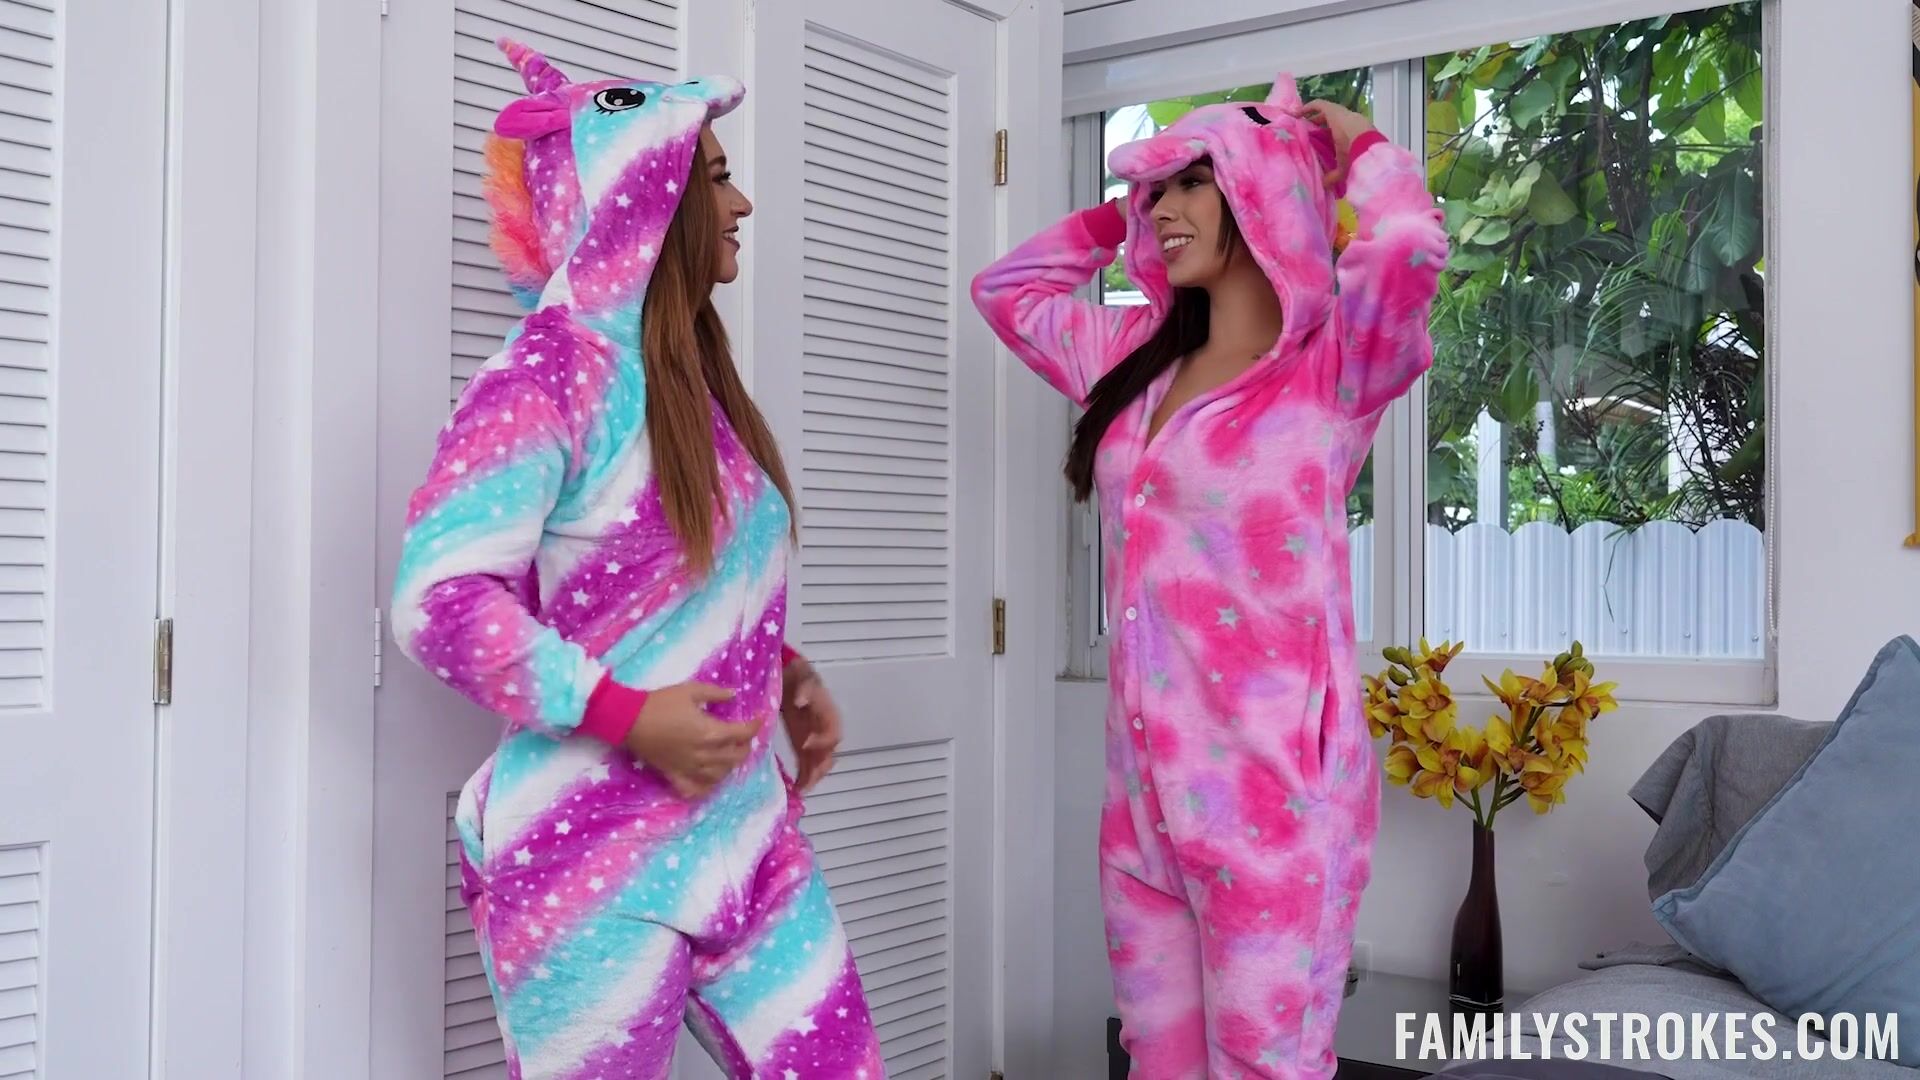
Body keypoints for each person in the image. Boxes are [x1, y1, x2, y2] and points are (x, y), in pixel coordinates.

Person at [390, 39, 885, 1079]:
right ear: (642, 194)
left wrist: (780, 668)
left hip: (745, 833)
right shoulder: (545, 377)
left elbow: (665, 582)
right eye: (717, 178)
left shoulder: (691, 383)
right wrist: (627, 715)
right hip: (591, 854)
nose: (742, 204)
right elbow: (439, 600)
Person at [971, 77, 1447, 1078]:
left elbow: (1405, 244)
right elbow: (1006, 293)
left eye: (1194, 183)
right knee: (1158, 1062)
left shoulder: (1332, 367)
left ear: (1261, 189)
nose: (1165, 210)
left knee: (1265, 1067)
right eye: (1159, 192)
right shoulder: (1131, 356)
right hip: (1141, 806)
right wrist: (1120, 214)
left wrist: (1357, 147)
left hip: (1272, 806)